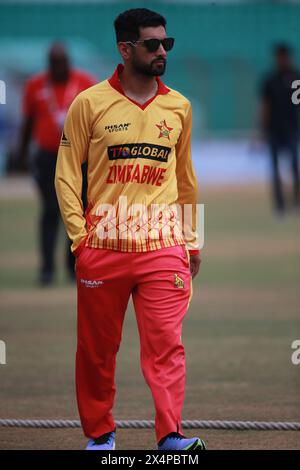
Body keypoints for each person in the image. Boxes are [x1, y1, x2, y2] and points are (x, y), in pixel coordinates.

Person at [55, 8, 205, 451]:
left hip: (164, 246)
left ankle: (171, 437)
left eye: (166, 44)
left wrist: (192, 240)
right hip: (102, 246)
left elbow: (186, 180)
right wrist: (80, 239)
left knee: (166, 347)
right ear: (125, 49)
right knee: (97, 353)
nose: (162, 51)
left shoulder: (180, 106)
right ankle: (101, 436)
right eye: (152, 44)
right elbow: (66, 174)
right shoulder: (89, 103)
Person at [18, 43, 96, 285]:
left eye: (62, 61)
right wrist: (21, 154)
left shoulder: (85, 82)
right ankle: (47, 269)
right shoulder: (35, 85)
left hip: (80, 157)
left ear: (69, 61)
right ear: (48, 63)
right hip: (47, 157)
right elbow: (28, 122)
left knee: (79, 211)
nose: (59, 66)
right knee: (51, 211)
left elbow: (96, 121)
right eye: (54, 62)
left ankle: (74, 267)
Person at [260, 43, 300, 215]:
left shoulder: (295, 78)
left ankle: (297, 201)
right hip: (274, 130)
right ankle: (280, 206)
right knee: (275, 169)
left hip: (291, 128)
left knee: (294, 167)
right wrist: (262, 130)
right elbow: (265, 106)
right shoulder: (271, 80)